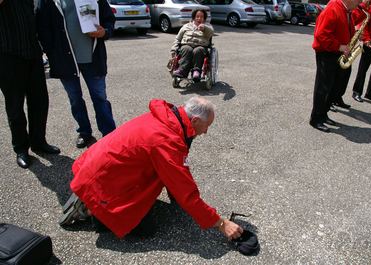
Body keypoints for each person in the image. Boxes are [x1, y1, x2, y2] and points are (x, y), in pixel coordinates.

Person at [59, 96, 244, 241]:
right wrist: (221, 223)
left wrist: (178, 200)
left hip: (97, 165)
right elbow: (185, 190)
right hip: (101, 180)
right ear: (195, 120)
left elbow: (177, 173)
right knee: (145, 230)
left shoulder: (170, 118)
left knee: (150, 196)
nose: (206, 132)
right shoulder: (167, 141)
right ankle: (92, 207)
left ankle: (93, 198)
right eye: (206, 126)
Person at [36, 0, 116, 149]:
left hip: (93, 58)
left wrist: (104, 32)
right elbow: (42, 27)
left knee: (100, 97)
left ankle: (110, 134)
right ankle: (85, 132)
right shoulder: (48, 1)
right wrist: (51, 52)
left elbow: (109, 19)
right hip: (65, 60)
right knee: (75, 99)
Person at [0, 0, 60, 169]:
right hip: (7, 54)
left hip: (33, 53)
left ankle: (38, 142)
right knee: (15, 106)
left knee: (40, 101)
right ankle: (21, 149)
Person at [310, 0, 367, 132]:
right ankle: (315, 119)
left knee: (332, 87)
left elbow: (344, 30)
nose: (359, 4)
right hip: (327, 53)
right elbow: (321, 35)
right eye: (358, 1)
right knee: (323, 88)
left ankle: (323, 115)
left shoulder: (347, 11)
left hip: (338, 53)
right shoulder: (333, 9)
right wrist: (339, 46)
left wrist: (355, 36)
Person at [171, 9, 214, 82]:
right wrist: (173, 49)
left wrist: (204, 28)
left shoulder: (208, 26)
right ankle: (182, 71)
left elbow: (211, 33)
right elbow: (178, 38)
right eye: (197, 16)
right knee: (187, 49)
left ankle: (196, 71)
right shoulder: (186, 26)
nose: (199, 18)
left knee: (198, 50)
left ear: (204, 18)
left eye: (202, 17)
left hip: (201, 46)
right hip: (186, 45)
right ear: (194, 17)